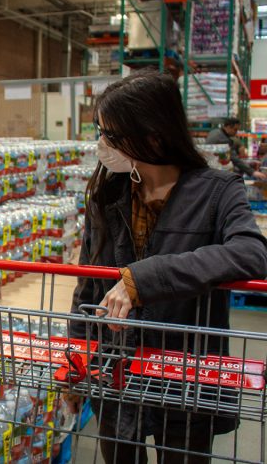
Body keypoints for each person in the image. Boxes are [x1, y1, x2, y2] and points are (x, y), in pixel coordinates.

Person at [69, 70, 267, 464]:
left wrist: (142, 279)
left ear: (153, 135)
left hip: (185, 379)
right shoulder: (108, 196)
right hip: (117, 375)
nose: (102, 144)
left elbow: (252, 253)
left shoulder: (217, 192)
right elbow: (88, 289)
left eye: (111, 134)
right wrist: (76, 364)